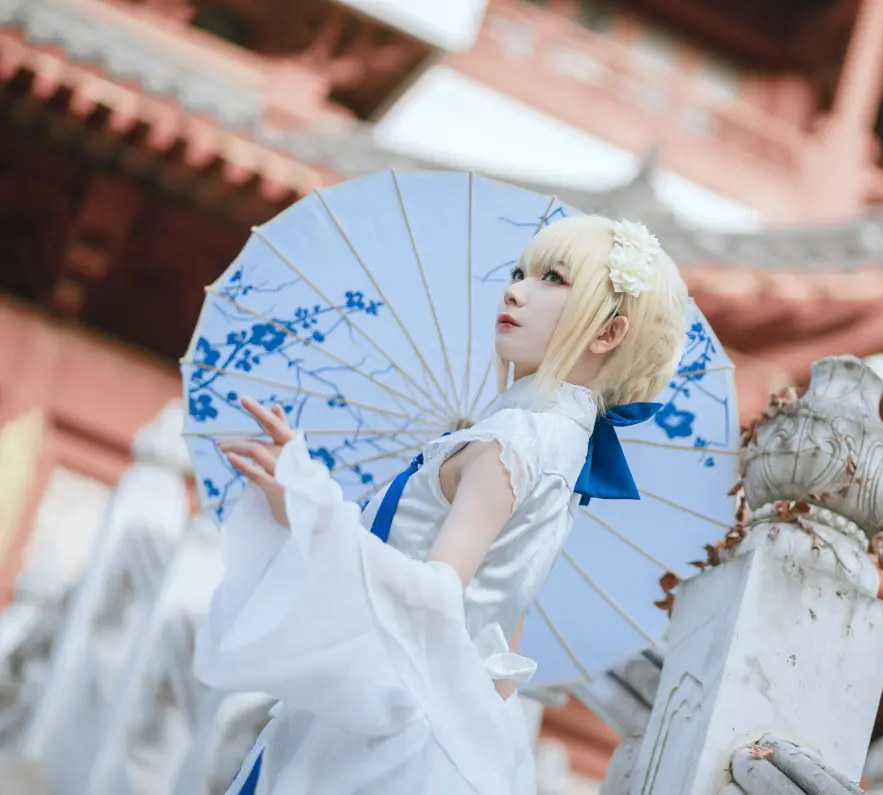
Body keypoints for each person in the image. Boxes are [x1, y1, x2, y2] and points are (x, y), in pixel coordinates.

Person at [192, 214, 689, 795]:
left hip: (387, 732)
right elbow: (504, 619)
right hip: (444, 733)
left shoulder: (514, 440)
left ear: (606, 332)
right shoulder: (561, 446)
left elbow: (433, 597)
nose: (515, 291)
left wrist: (309, 509)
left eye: (553, 278)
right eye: (519, 273)